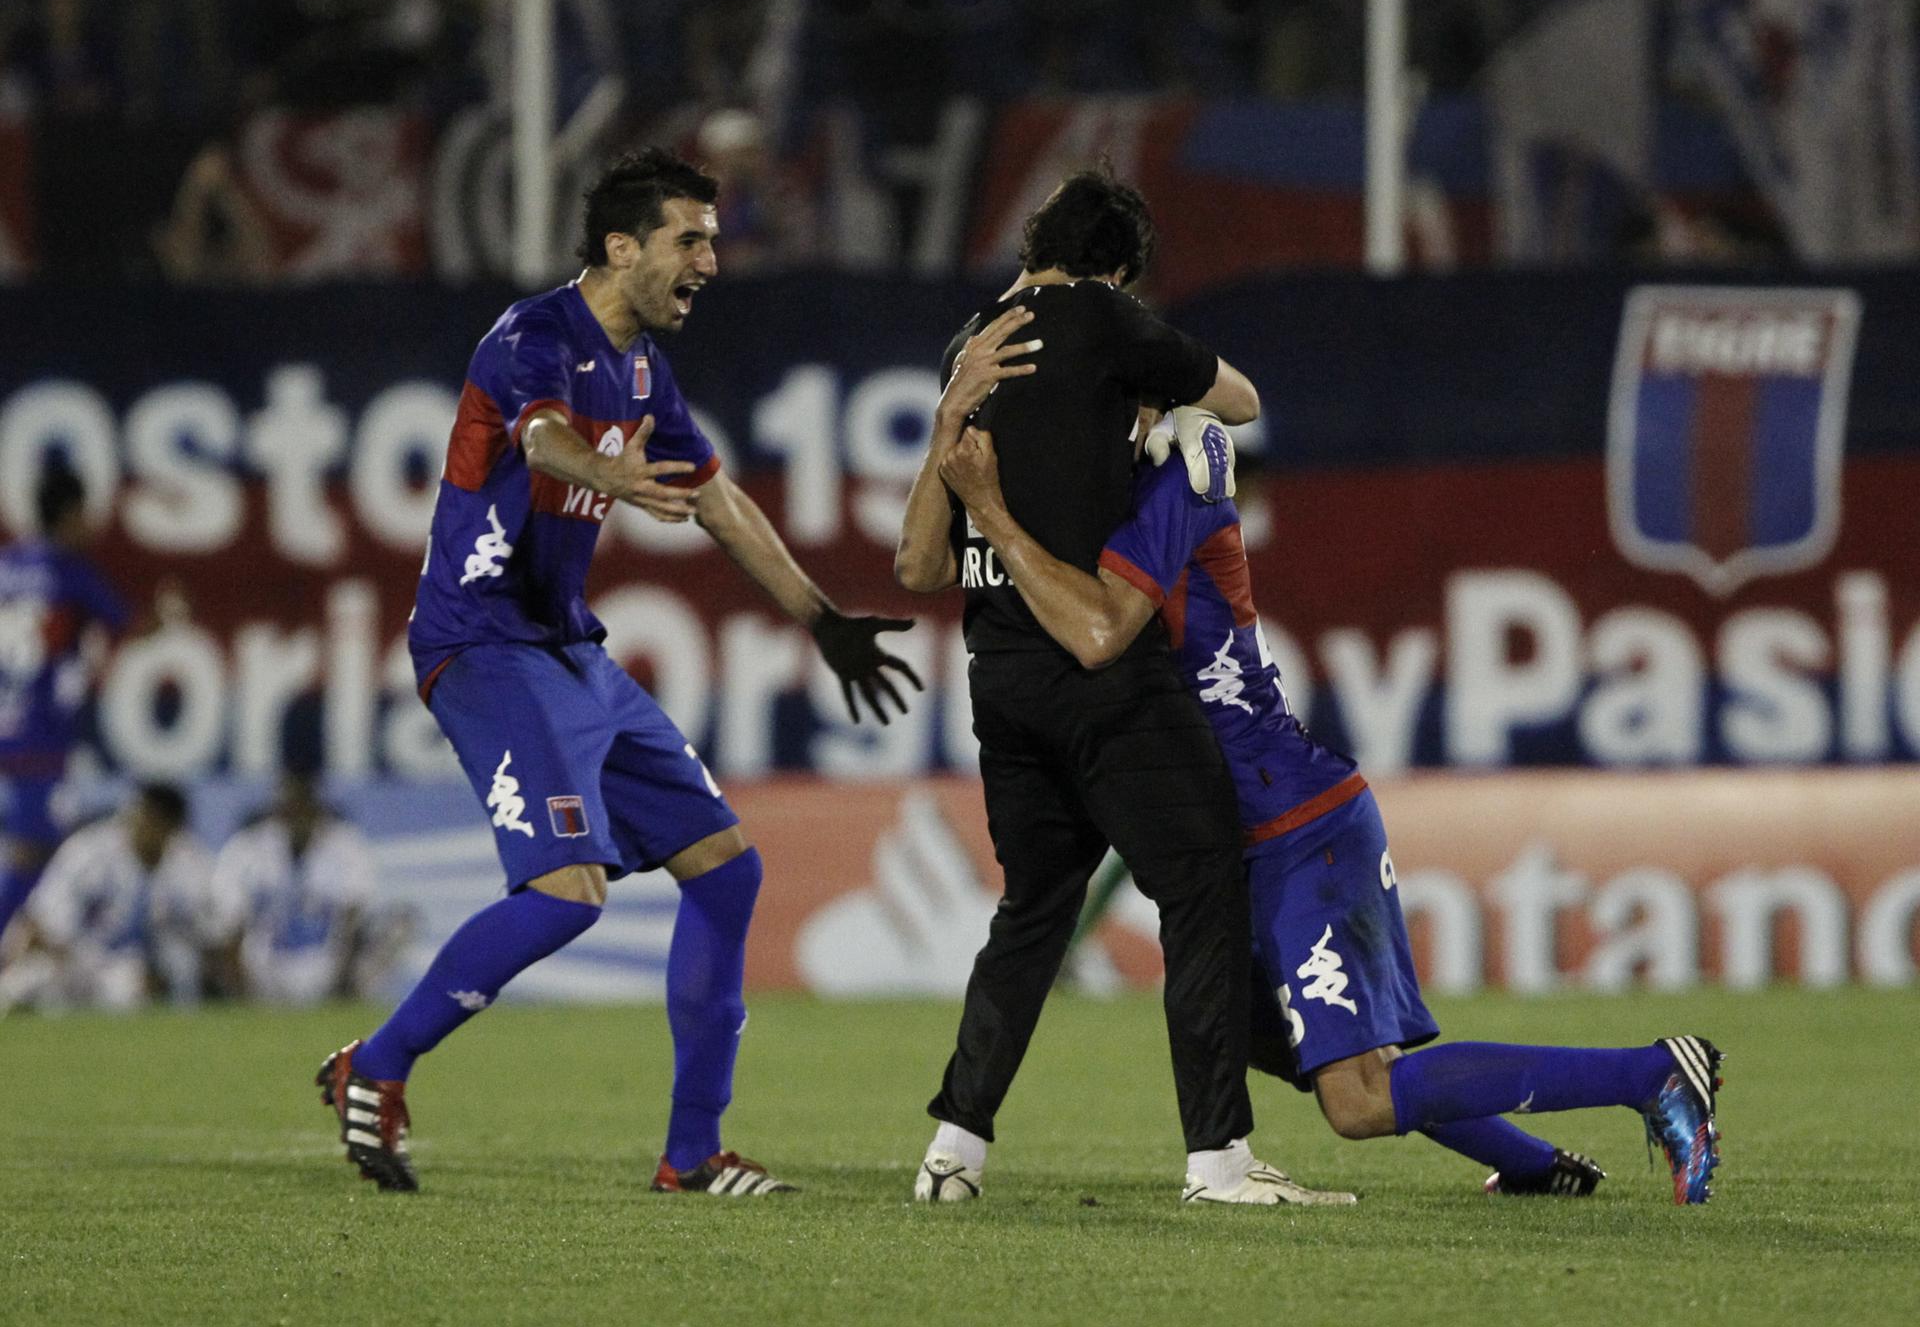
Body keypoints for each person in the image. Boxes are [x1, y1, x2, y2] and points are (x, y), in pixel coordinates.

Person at [317, 146, 922, 1195]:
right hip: (482, 645)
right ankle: (375, 1061)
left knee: (727, 869)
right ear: (621, 245)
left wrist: (820, 621)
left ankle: (692, 1154)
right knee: (566, 893)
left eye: (713, 242)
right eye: (690, 239)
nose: (711, 262)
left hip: (570, 650)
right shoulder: (531, 336)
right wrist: (609, 474)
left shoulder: (645, 372)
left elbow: (721, 502)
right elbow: (545, 441)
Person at [932, 409, 1725, 1206]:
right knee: (1265, 1039)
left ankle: (1653, 1071)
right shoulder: (1131, 491)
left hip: (1298, 826)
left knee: (1357, 1097)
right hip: (1246, 841)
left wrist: (992, 512)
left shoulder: (1176, 485)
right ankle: (1529, 1165)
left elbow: (1096, 625)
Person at [894, 168, 1349, 1207]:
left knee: (1033, 911)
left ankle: (954, 1151)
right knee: (1200, 885)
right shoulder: (1105, 316)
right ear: (1116, 268)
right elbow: (1241, 400)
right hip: (1099, 676)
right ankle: (1219, 1159)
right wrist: (1152, 386)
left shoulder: (968, 342)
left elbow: (918, 567)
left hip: (998, 677)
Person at [0, 465, 129, 944]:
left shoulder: (6, 565)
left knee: (40, 851)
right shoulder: (68, 571)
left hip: (5, 728)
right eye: (85, 513)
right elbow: (124, 624)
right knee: (35, 854)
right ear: (71, 513)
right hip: (38, 738)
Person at [0, 783, 212, 1013]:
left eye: (150, 818)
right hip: (69, 958)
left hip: (126, 968)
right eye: (138, 813)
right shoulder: (89, 850)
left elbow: (210, 933)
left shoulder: (188, 863)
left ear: (170, 826)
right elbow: (40, 919)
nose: (139, 823)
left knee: (131, 988)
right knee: (17, 988)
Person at [210, 769, 396, 1005]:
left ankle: (347, 1002)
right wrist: (240, 986)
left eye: (302, 805)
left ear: (316, 807)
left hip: (328, 964)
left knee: (397, 925)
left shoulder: (347, 844)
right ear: (277, 810)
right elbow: (231, 921)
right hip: (263, 967)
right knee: (211, 932)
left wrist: (341, 976)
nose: (296, 813)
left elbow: (354, 915)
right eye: (289, 806)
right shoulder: (247, 845)